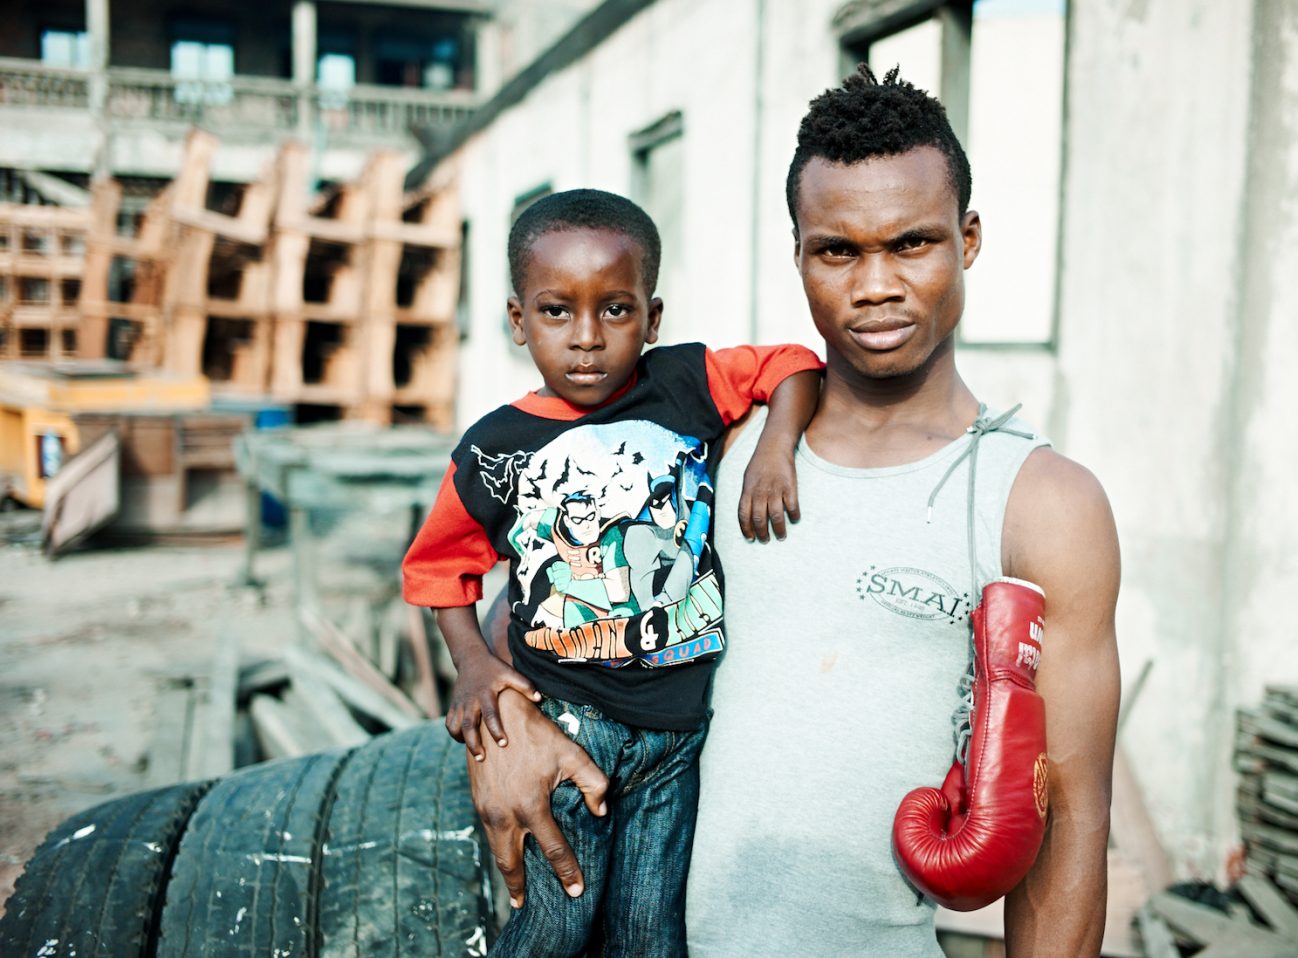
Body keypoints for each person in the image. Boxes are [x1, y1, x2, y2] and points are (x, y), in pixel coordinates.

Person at [465, 67, 1121, 957]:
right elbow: (526, 616)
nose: (877, 283)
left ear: (968, 240)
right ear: (801, 256)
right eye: (839, 250)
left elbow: (1068, 830)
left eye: (913, 245)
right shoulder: (713, 449)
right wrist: (502, 738)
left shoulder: (1040, 503)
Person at [401, 188, 823, 957]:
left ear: (653, 318)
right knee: (560, 923)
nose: (587, 339)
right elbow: (438, 568)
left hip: (676, 736)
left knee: (648, 936)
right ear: (518, 319)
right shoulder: (495, 448)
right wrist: (471, 664)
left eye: (616, 311)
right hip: (569, 720)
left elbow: (794, 364)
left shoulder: (687, 383)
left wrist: (775, 445)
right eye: (558, 311)